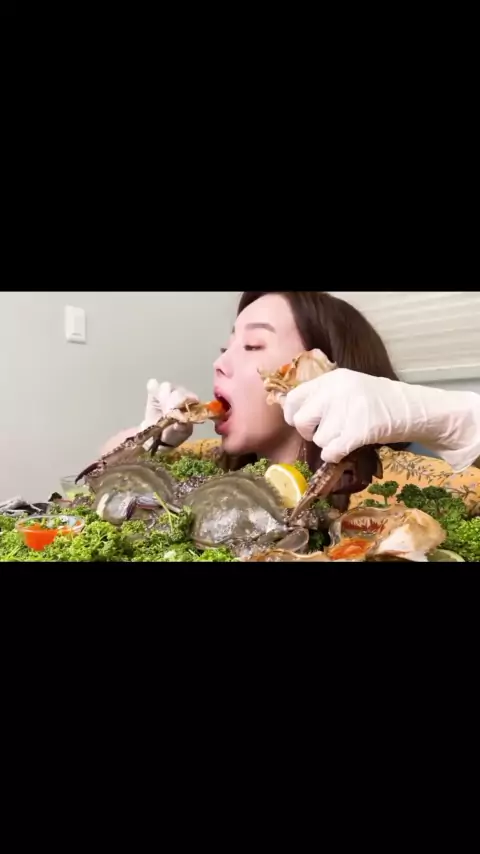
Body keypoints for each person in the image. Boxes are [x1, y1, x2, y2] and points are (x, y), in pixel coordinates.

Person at [102, 291, 480, 475]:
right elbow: (96, 477)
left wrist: (457, 420)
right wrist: (150, 438)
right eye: (225, 348)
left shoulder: (402, 480)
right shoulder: (215, 460)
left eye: (252, 345)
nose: (219, 363)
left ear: (320, 368)